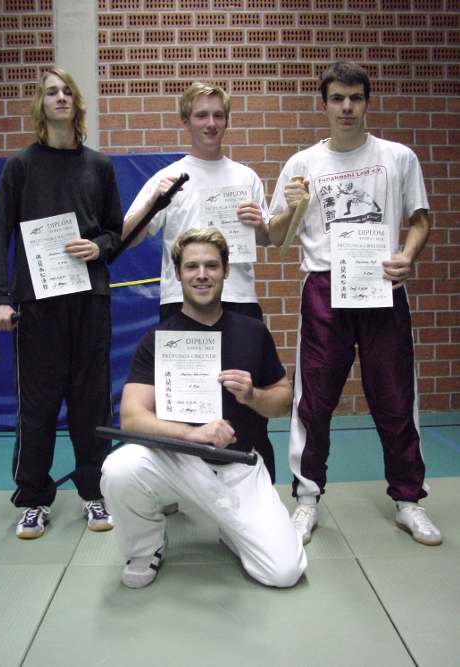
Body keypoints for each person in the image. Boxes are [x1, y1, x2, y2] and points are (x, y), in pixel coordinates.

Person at [269, 61, 442, 547]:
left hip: (382, 289)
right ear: (323, 104)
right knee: (314, 400)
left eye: (356, 98)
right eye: (338, 98)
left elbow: (421, 217)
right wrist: (290, 204)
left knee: (394, 396)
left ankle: (409, 500)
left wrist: (407, 255)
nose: (347, 107)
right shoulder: (302, 164)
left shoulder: (397, 157)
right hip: (325, 291)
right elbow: (276, 237)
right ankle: (306, 498)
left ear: (367, 102)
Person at [100, 228, 307, 589]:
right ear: (177, 273)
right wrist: (193, 433)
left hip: (240, 465)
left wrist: (252, 396)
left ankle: (233, 529)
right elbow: (132, 417)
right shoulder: (158, 340)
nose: (202, 274)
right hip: (179, 461)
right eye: (192, 266)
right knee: (119, 467)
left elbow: (283, 399)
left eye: (212, 265)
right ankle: (146, 547)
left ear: (226, 271)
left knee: (284, 573)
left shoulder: (253, 331)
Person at [0, 67, 124, 539]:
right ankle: (34, 499)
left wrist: (98, 247)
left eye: (67, 90)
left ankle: (94, 491)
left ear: (76, 102)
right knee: (38, 405)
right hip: (36, 305)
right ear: (41, 105)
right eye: (51, 92)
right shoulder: (20, 166)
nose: (60, 97)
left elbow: (115, 230)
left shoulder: (99, 166)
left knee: (91, 403)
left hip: (89, 300)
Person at [122, 81, 277, 480]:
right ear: (186, 122)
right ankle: (176, 481)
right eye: (201, 116)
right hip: (182, 304)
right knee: (180, 398)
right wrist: (156, 202)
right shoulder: (170, 178)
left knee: (244, 397)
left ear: (227, 121)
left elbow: (269, 239)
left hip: (240, 300)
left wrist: (262, 224)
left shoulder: (246, 176)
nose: (211, 123)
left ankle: (253, 475)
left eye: (218, 115)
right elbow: (127, 235)